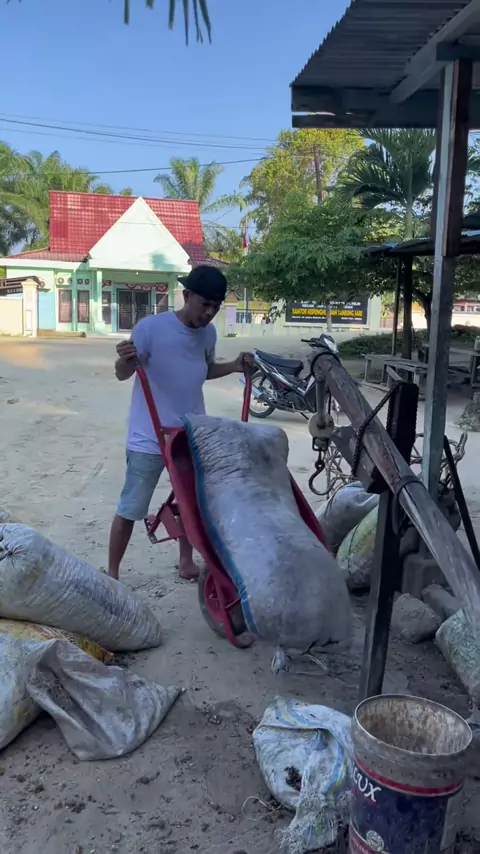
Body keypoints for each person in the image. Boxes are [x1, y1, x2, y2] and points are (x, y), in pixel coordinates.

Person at [108, 265, 251, 581]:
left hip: (191, 432)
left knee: (190, 501)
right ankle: (113, 573)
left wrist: (233, 366)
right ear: (186, 296)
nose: (209, 312)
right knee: (132, 506)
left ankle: (186, 560)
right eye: (204, 304)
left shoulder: (208, 334)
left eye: (216, 306)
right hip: (149, 435)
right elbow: (123, 373)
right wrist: (124, 359)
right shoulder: (150, 328)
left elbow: (204, 369)